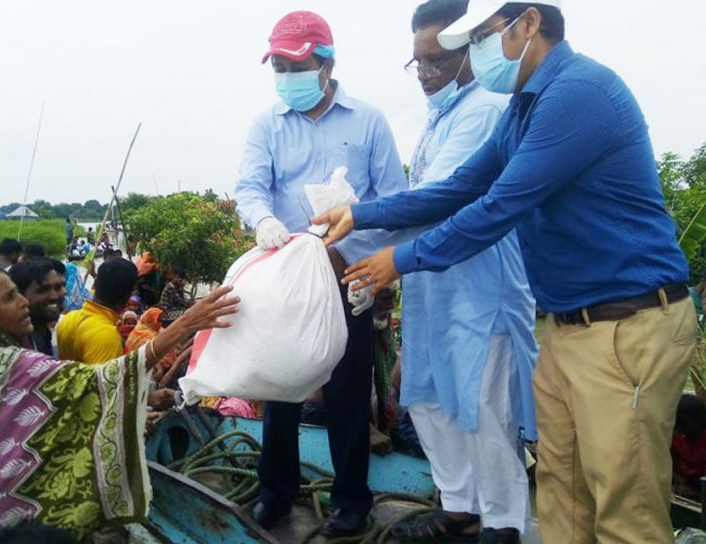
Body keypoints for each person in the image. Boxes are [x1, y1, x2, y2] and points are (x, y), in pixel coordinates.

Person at [313, 1, 698, 542]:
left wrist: (397, 260)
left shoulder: (577, 94)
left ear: (529, 23)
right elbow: (458, 187)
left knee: (623, 502)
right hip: (570, 323)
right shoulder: (524, 106)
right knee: (563, 491)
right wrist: (361, 213)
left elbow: (497, 207)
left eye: (484, 37)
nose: (476, 52)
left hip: (626, 323)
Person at [233, 11, 407, 537]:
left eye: (297, 64)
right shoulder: (268, 124)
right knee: (280, 386)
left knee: (348, 393)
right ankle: (276, 492)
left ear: (326, 64)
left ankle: (351, 500)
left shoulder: (369, 121)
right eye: (280, 65)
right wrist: (262, 220)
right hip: (284, 275)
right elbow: (250, 187)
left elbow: (393, 201)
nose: (287, 74)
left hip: (347, 276)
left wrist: (345, 252)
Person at [372, 2, 535, 542]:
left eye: (437, 61)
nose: (426, 74)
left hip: (478, 290)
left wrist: (360, 227)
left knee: (485, 408)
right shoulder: (441, 116)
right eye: (417, 63)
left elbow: (435, 198)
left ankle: (504, 520)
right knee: (430, 398)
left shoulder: (485, 109)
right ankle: (461, 506)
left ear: (471, 51)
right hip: (432, 288)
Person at [0, 264, 239, 543]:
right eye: (9, 297)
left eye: (18, 292)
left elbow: (62, 390)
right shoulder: (12, 361)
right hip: (19, 524)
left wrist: (145, 394)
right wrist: (187, 323)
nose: (24, 302)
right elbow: (107, 380)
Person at [56, 258, 137, 364]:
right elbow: (103, 380)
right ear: (127, 297)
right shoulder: (107, 337)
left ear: (95, 283)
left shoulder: (69, 318)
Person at [9, 259, 67, 356]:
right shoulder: (19, 350)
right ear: (20, 295)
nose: (54, 296)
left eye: (58, 287)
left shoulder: (43, 332)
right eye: (44, 290)